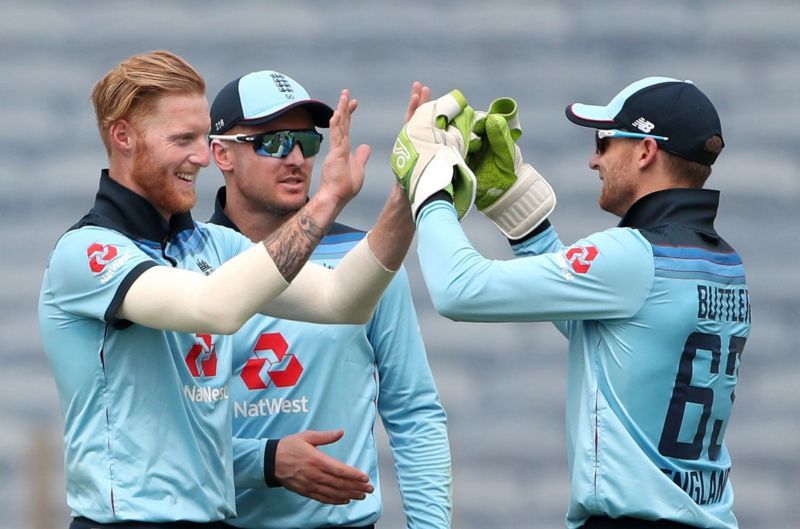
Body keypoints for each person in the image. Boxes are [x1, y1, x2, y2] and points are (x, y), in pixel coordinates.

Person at [37, 50, 421, 528]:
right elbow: (214, 307)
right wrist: (325, 200)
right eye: (183, 139)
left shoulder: (213, 243)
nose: (202, 156)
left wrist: (408, 198)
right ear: (124, 137)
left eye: (203, 136)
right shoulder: (86, 253)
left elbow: (342, 299)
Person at [394, 78, 750, 529]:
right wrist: (516, 208)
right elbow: (604, 330)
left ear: (645, 151)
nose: (593, 160)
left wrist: (430, 186)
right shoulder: (725, 263)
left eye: (604, 141)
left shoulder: (631, 255)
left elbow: (459, 289)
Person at [206, 71, 452, 529]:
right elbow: (166, 440)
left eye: (306, 141)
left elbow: (414, 410)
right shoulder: (187, 267)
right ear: (222, 153)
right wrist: (268, 462)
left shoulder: (366, 260)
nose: (296, 158)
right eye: (273, 143)